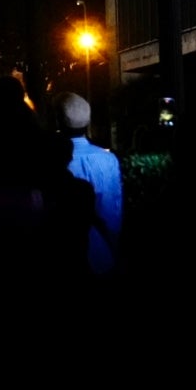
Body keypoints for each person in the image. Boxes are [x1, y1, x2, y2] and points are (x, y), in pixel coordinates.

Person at [57, 91, 122, 276]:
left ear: (59, 121)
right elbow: (113, 213)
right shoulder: (109, 159)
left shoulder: (55, 162)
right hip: (103, 254)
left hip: (67, 257)